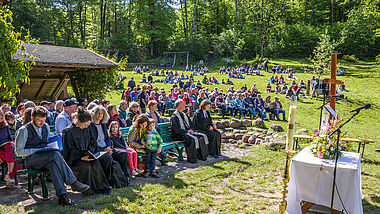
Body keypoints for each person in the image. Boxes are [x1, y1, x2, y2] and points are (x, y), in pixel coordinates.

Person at [16, 106, 90, 205]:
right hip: (31, 160)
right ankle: (73, 182)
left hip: (46, 157)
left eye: (43, 120)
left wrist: (56, 139)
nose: (41, 123)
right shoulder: (24, 130)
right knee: (55, 154)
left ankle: (62, 197)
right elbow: (18, 151)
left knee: (53, 164)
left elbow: (47, 139)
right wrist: (36, 150)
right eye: (39, 120)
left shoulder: (45, 126)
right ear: (32, 118)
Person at [61, 107, 111, 196]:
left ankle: (100, 188)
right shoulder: (68, 132)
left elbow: (93, 144)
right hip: (75, 159)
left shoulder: (87, 129)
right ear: (78, 121)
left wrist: (90, 154)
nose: (86, 126)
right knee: (86, 167)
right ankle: (88, 190)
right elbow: (69, 150)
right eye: (84, 124)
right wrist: (81, 157)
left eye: (87, 124)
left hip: (88, 156)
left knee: (95, 163)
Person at [89, 106, 130, 186]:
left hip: (107, 148)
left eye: (102, 113)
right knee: (108, 157)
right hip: (98, 150)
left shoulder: (103, 124)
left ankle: (124, 176)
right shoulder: (90, 126)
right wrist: (104, 150)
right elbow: (92, 143)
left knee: (123, 154)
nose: (100, 115)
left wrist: (108, 147)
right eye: (98, 113)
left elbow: (107, 138)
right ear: (94, 114)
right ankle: (108, 180)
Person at [0, 110, 22, 189]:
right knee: (11, 150)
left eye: (2, 115)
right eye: (0, 115)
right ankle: (11, 179)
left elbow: (9, 138)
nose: (1, 116)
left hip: (7, 149)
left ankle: (10, 177)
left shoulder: (5, 126)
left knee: (11, 148)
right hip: (0, 149)